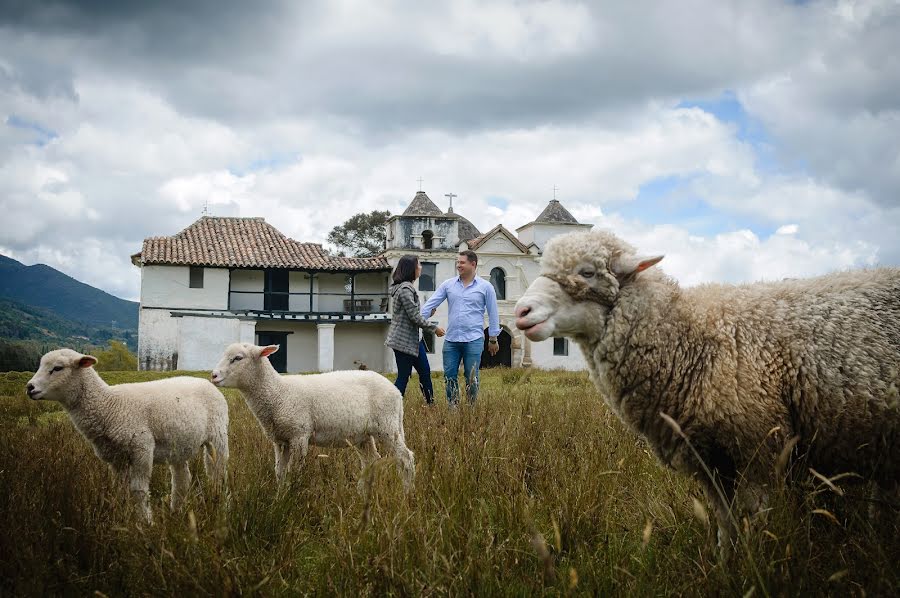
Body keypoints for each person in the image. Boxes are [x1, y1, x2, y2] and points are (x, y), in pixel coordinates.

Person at [421, 250, 500, 406]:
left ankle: (471, 409)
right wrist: (416, 318)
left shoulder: (486, 287)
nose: (458, 265)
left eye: (462, 262)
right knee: (449, 376)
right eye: (457, 262)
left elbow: (493, 313)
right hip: (451, 340)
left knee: (471, 377)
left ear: (473, 264)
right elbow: (430, 305)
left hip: (474, 340)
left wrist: (493, 339)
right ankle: (454, 409)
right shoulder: (448, 285)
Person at [385, 255, 445, 404]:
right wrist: (434, 328)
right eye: (418, 265)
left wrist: (427, 314)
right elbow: (414, 317)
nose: (421, 267)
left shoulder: (405, 288)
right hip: (403, 342)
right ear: (411, 268)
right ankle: (391, 407)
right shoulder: (405, 289)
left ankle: (431, 405)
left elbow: (412, 314)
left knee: (425, 373)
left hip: (413, 342)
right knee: (404, 377)